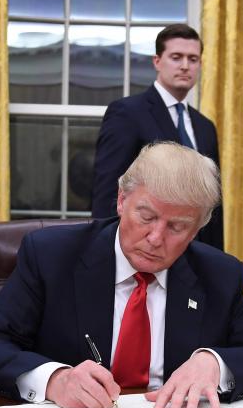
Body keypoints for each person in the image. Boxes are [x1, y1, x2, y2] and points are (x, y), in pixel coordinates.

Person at [0, 142, 243, 408]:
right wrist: (56, 380)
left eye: (177, 227)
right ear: (121, 200)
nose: (156, 237)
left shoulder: (219, 275)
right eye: (146, 216)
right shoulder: (52, 256)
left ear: (198, 229)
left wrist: (215, 363)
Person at [90, 24, 223, 250]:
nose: (184, 66)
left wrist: (215, 256)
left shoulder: (205, 126)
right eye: (176, 57)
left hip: (196, 251)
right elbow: (108, 192)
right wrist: (106, 251)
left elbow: (212, 202)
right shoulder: (128, 113)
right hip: (146, 246)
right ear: (157, 62)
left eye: (192, 59)